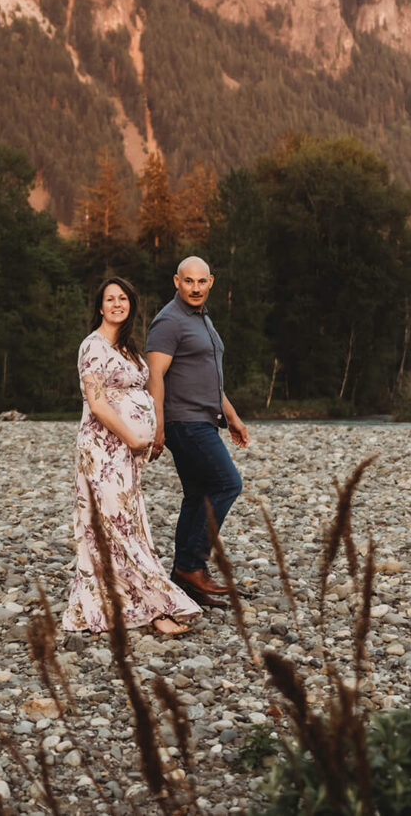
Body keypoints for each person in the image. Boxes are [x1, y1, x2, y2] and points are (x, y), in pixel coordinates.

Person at [62, 276, 201, 636]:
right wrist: (132, 438)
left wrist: (149, 435)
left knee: (128, 524)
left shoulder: (129, 349)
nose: (117, 304)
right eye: (110, 299)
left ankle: (133, 604)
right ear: (100, 307)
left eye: (123, 298)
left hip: (125, 456)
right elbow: (97, 403)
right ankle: (154, 606)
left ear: (130, 305)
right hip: (101, 451)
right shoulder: (92, 347)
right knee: (112, 526)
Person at [146, 256, 251, 606]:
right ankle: (193, 565)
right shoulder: (169, 321)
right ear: (177, 281)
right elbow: (155, 376)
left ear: (211, 282)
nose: (195, 288)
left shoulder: (202, 319)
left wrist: (231, 416)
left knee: (196, 494)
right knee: (227, 483)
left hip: (204, 418)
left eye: (201, 282)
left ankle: (184, 581)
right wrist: (158, 425)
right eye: (188, 281)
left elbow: (208, 379)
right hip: (184, 421)